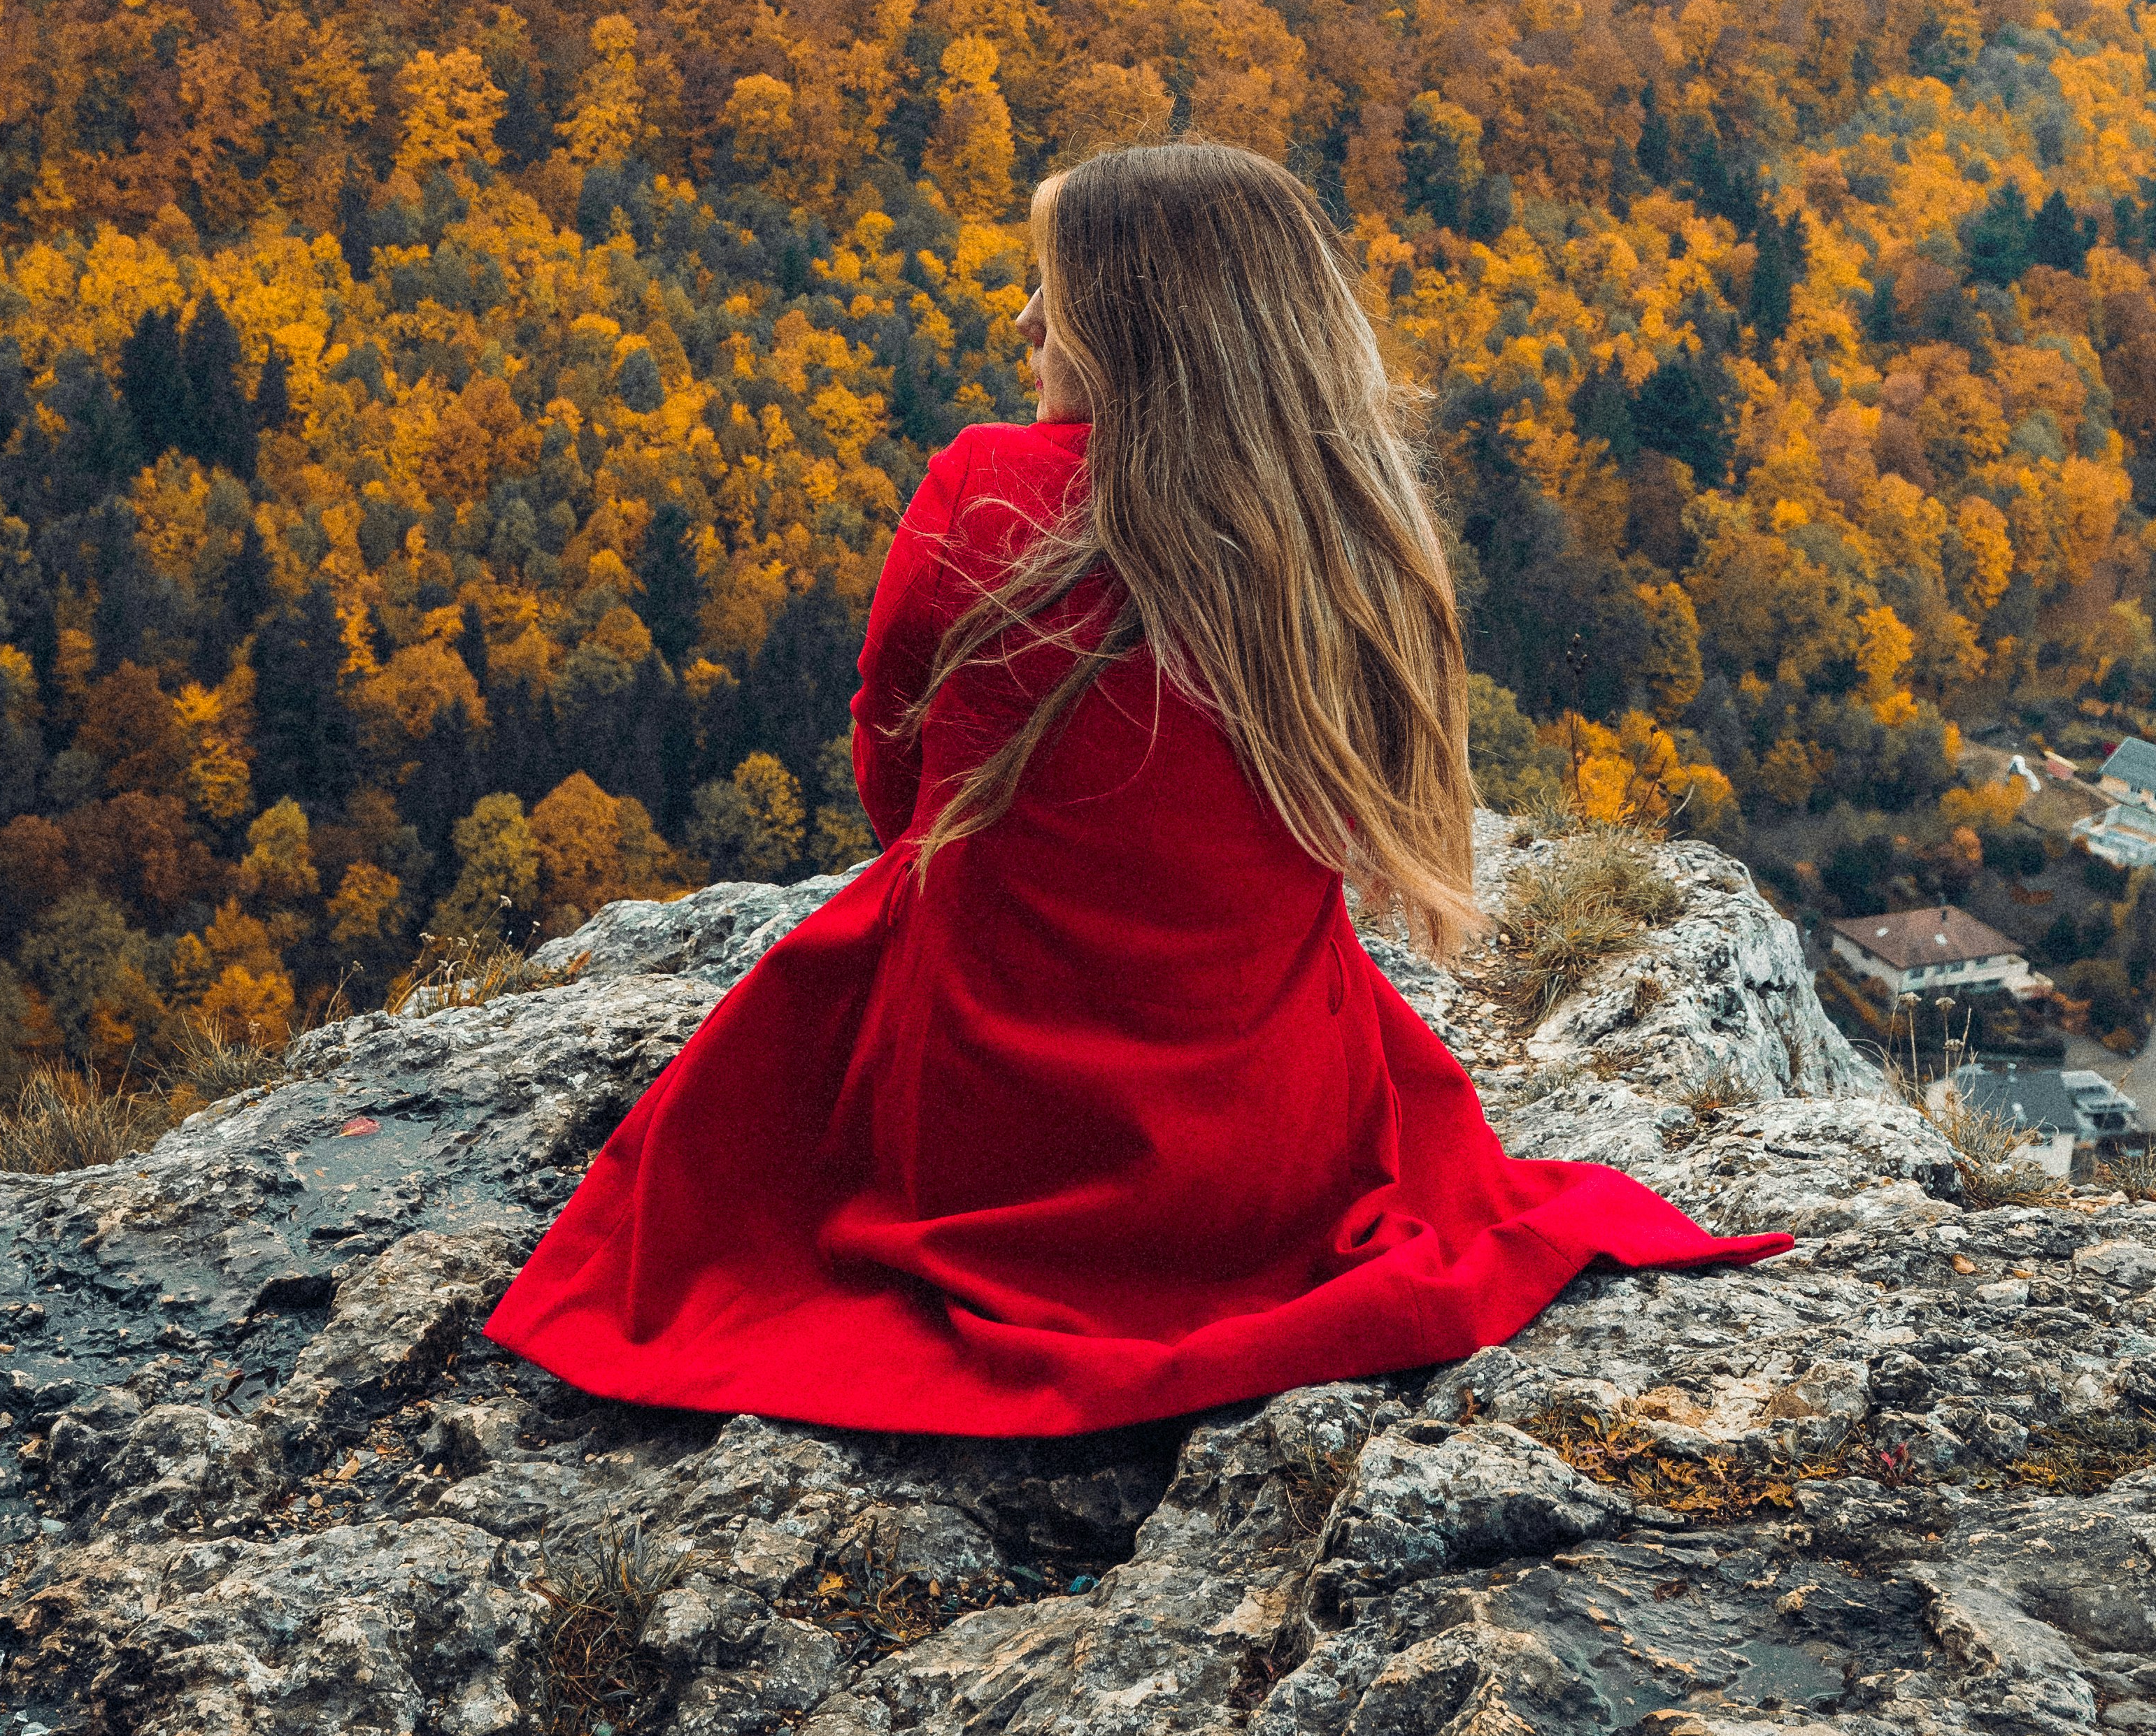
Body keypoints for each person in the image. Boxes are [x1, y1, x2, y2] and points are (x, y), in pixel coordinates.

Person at [484, 142, 1785, 1435]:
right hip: (1267, 1156)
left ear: (1136, 321)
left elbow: (893, 765)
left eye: (1052, 286)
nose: (1025, 317)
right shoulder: (1339, 527)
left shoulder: (982, 490)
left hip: (988, 1142)